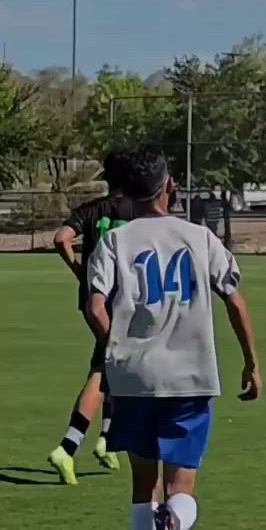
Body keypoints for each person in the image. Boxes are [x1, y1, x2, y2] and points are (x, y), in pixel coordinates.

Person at [85, 149, 262, 530]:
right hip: (190, 377)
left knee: (141, 486)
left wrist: (115, 349)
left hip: (134, 377)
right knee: (180, 490)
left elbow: (95, 306)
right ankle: (175, 521)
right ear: (168, 186)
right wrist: (251, 362)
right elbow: (234, 300)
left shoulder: (115, 242)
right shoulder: (200, 237)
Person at [46, 150, 136, 484]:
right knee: (103, 369)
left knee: (112, 366)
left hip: (92, 298)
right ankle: (68, 448)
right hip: (121, 301)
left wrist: (79, 270)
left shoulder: (91, 209)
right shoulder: (137, 212)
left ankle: (106, 441)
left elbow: (60, 238)